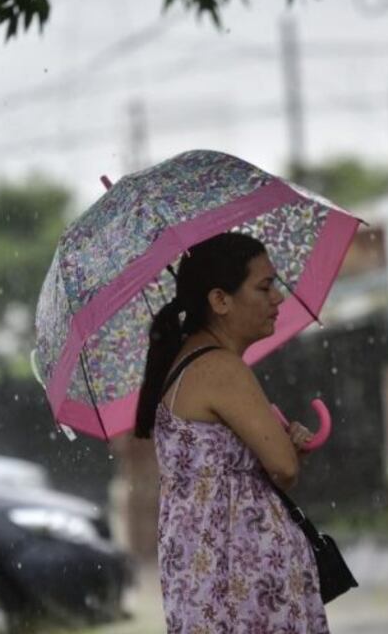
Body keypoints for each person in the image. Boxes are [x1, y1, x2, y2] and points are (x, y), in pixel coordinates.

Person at [134, 232, 331, 633]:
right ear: (220, 300)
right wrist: (289, 452)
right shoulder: (221, 368)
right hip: (242, 575)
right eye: (264, 287)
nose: (277, 298)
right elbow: (284, 469)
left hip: (200, 572)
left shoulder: (185, 362)